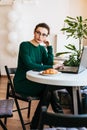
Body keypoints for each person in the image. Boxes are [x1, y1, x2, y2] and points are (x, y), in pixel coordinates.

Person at [13, 23, 72, 129]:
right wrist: (51, 67)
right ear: (34, 32)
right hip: (22, 82)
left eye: (44, 35)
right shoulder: (24, 45)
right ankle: (60, 120)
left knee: (49, 90)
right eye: (38, 33)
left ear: (47, 36)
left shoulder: (41, 48)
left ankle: (36, 124)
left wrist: (49, 47)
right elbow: (29, 64)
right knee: (49, 89)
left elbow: (48, 62)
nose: (40, 37)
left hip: (34, 81)